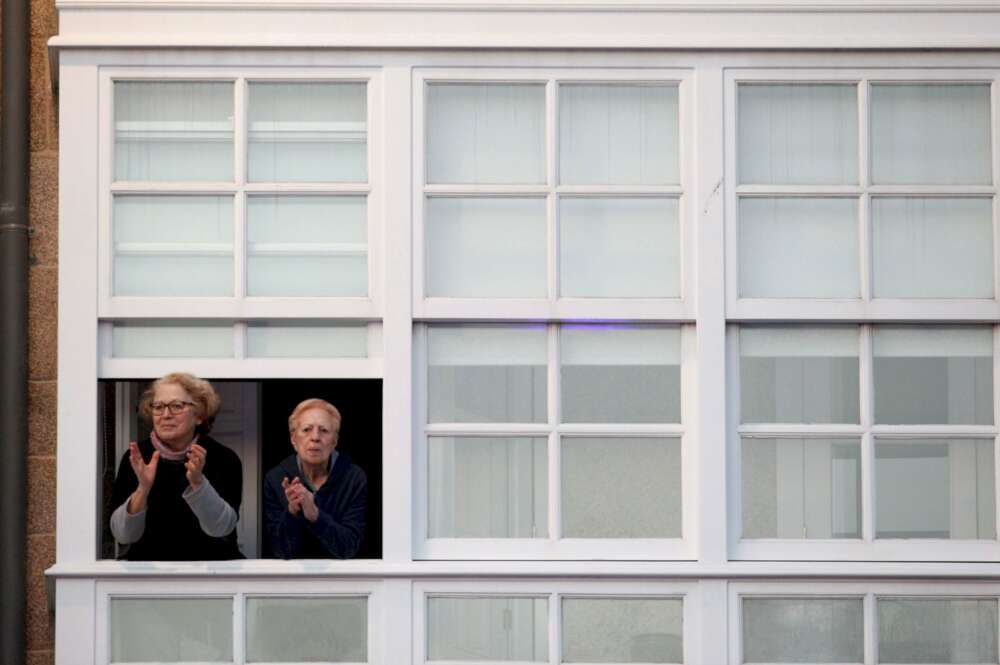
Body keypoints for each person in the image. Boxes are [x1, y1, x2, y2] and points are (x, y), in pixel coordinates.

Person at [109, 372, 243, 560]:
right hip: (148, 572)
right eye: (158, 406)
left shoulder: (224, 458)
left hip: (211, 572)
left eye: (177, 406)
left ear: (199, 415)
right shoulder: (136, 457)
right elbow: (123, 535)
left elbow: (221, 528)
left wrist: (198, 483)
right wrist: (143, 489)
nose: (165, 415)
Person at [263, 398, 367, 559]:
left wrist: (315, 515)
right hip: (293, 578)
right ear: (293, 439)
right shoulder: (276, 478)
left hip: (341, 578)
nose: (315, 437)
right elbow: (280, 550)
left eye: (324, 430)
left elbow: (349, 548)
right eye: (306, 429)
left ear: (334, 441)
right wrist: (292, 511)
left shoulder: (354, 478)